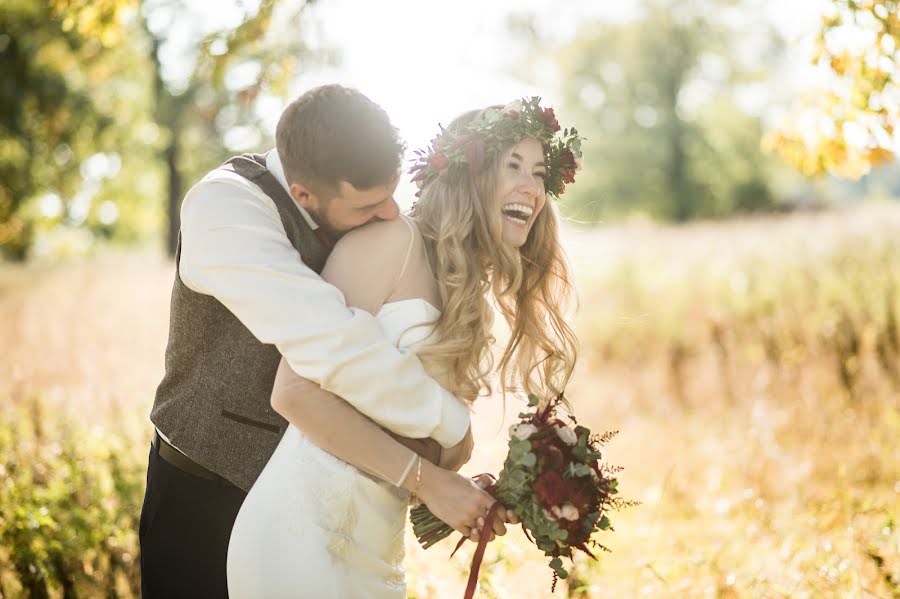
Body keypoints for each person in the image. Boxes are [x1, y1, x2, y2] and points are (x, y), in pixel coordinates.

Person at [226, 97, 581, 597]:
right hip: (301, 537)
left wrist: (460, 491)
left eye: (540, 174)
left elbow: (401, 441)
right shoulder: (392, 244)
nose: (531, 188)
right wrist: (431, 484)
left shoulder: (468, 295)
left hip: (377, 553)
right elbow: (294, 393)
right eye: (513, 167)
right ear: (467, 177)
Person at [139, 84, 479, 598]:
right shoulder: (225, 206)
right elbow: (331, 343)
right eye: (369, 204)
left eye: (393, 194)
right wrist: (450, 427)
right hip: (205, 497)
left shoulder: (364, 209)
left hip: (315, 513)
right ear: (303, 194)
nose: (390, 215)